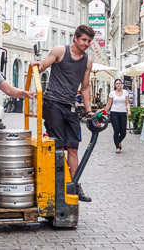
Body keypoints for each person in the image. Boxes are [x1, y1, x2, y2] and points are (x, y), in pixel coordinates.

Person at [30, 25, 94, 202]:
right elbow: (42, 67)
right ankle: (58, 184)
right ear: (75, 38)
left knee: (73, 147)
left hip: (70, 106)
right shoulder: (60, 51)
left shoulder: (87, 61)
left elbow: (85, 87)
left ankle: (74, 185)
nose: (86, 44)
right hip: (53, 103)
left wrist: (89, 111)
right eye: (84, 40)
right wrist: (37, 65)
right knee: (58, 146)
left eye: (89, 41)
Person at [105, 79, 131, 153]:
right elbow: (108, 104)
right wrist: (104, 113)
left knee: (123, 132)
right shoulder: (112, 93)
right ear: (115, 85)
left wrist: (129, 110)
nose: (118, 84)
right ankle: (117, 147)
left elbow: (127, 103)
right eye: (117, 83)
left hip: (123, 113)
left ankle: (118, 141)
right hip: (114, 113)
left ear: (121, 84)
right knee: (116, 131)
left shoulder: (125, 92)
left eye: (119, 83)